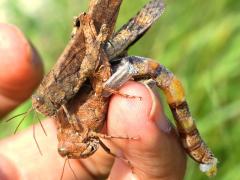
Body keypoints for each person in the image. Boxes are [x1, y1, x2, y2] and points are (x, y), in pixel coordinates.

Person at [0, 23, 186, 179]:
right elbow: (99, 139)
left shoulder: (67, 119)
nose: (66, 150)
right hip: (105, 79)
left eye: (65, 150)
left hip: (101, 71)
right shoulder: (73, 129)